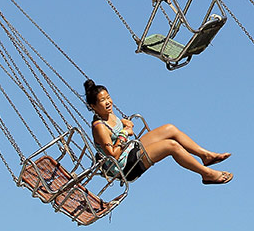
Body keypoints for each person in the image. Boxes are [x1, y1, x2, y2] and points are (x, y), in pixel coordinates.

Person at [84, 79, 233, 185]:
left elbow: (117, 125)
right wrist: (125, 132)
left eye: (108, 97)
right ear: (93, 107)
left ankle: (205, 156)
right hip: (123, 166)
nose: (108, 102)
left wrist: (124, 123)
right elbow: (113, 154)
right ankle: (206, 174)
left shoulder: (108, 114)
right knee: (171, 146)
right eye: (103, 100)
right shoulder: (99, 127)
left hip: (129, 150)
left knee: (170, 128)